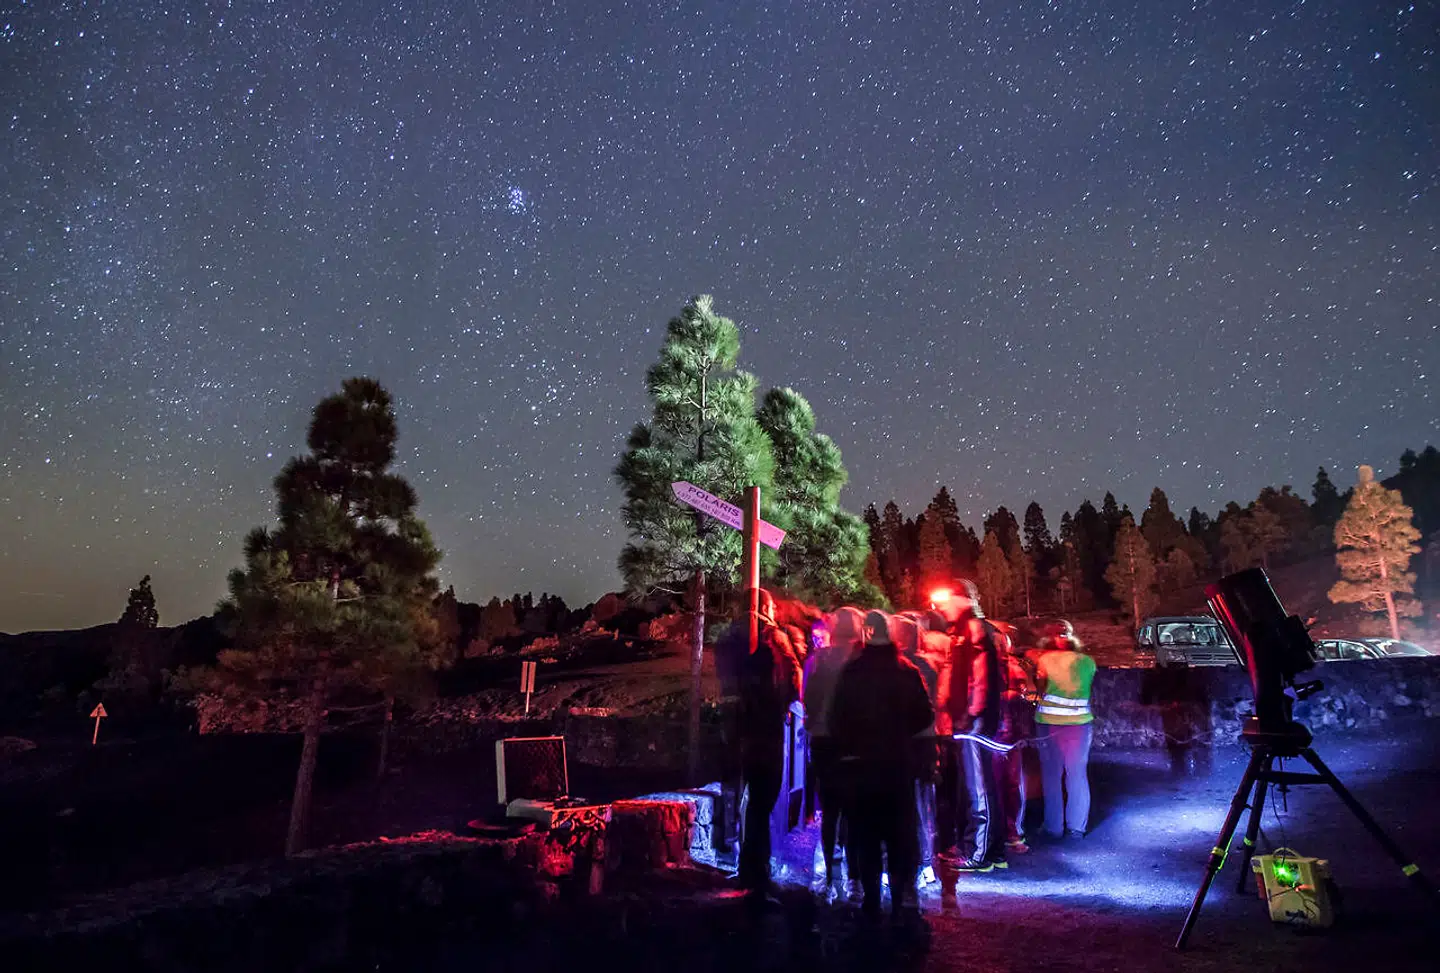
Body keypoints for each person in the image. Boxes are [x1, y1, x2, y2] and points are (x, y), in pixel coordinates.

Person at [830, 611, 934, 921]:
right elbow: (925, 716)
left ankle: (872, 899)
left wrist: (850, 745)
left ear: (866, 634)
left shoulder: (852, 672)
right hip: (897, 764)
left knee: (866, 834)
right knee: (899, 833)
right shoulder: (906, 670)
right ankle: (902, 898)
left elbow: (838, 718)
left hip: (861, 765)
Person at [718, 588, 801, 898]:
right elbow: (793, 674)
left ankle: (745, 866)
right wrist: (786, 704)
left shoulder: (728, 639)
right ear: (765, 607)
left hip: (734, 727)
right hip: (765, 727)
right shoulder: (772, 637)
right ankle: (758, 873)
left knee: (743, 798)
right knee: (763, 800)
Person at [933, 581, 1008, 872]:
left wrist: (972, 711)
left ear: (961, 599)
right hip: (968, 721)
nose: (942, 606)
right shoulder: (963, 630)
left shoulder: (973, 628)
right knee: (980, 785)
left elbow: (980, 673)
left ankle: (979, 853)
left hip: (974, 723)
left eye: (946, 599)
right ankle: (994, 849)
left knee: (978, 787)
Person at [802, 606, 864, 890]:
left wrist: (815, 721)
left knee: (830, 810)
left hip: (823, 740)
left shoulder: (817, 660)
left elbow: (807, 698)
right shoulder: (862, 659)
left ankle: (830, 872)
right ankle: (855, 876)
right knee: (855, 812)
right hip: (854, 743)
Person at [1033, 620, 1096, 838]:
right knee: (1077, 775)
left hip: (1049, 723)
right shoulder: (1088, 662)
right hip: (1080, 724)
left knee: (1051, 776)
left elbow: (1039, 689)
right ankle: (1077, 827)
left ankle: (1053, 827)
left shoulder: (1045, 659)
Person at [898, 611, 947, 889]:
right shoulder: (930, 665)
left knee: (908, 808)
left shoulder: (903, 667)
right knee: (924, 807)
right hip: (927, 743)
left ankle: (914, 867)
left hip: (907, 745)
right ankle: (927, 865)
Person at [993, 624, 1039, 855]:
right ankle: (1000, 834)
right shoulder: (986, 667)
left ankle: (1012, 834)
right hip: (992, 736)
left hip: (1009, 738)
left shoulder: (1015, 668)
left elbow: (1028, 699)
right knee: (997, 787)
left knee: (1011, 786)